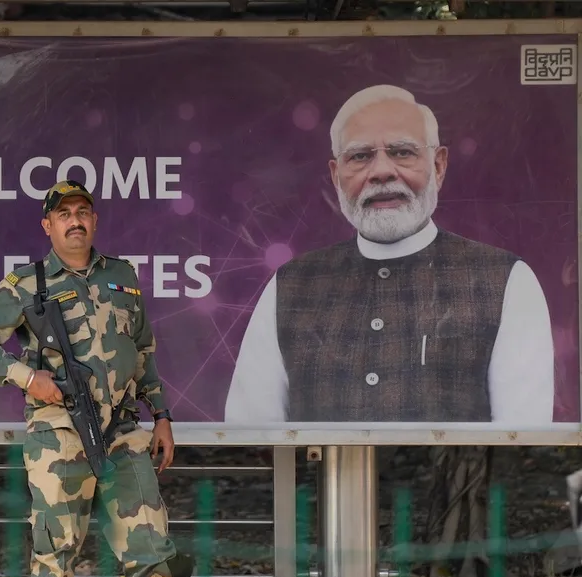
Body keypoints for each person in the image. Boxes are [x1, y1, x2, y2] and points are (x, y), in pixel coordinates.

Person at [0, 179, 197, 577]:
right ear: (48, 226)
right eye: (63, 213)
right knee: (56, 551)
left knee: (150, 549)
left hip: (123, 433)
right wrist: (27, 377)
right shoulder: (28, 284)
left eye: (83, 211)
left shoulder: (123, 276)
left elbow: (143, 351)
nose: (75, 220)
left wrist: (161, 415)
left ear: (94, 220)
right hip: (58, 434)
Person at [225, 84, 555, 425]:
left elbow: (522, 439)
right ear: (337, 176)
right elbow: (251, 436)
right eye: (360, 156)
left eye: (401, 152)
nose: (382, 171)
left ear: (438, 165)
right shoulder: (290, 286)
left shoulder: (506, 281)